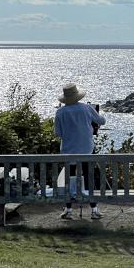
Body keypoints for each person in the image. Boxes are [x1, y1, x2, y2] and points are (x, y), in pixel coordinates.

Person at [54, 83, 105, 220]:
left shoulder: (60, 112)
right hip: (87, 150)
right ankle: (94, 210)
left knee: (69, 179)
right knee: (89, 178)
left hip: (68, 151)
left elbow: (58, 133)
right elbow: (102, 121)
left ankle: (68, 210)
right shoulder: (87, 108)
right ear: (77, 96)